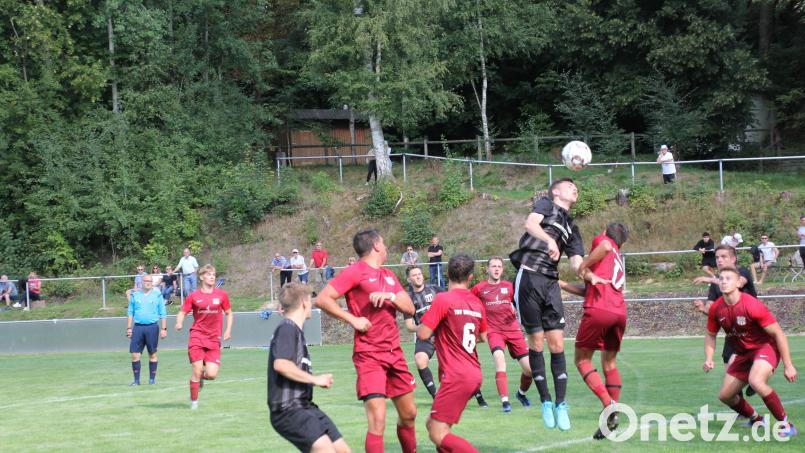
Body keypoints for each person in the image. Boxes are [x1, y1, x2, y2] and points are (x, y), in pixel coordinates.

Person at [316, 229, 417, 453]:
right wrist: (352, 319)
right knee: (378, 419)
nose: (387, 247)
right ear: (376, 246)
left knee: (409, 415)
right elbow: (323, 299)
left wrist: (390, 296)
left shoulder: (389, 276)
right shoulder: (354, 272)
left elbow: (410, 308)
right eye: (384, 243)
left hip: (395, 353)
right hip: (369, 354)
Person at [509, 177, 585, 431]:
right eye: (569, 185)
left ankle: (561, 404)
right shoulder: (545, 206)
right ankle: (545, 401)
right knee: (537, 343)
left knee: (557, 344)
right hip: (529, 277)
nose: (574, 188)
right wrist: (549, 240)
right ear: (555, 192)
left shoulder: (573, 227)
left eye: (576, 187)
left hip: (551, 283)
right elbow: (530, 225)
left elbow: (576, 263)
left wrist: (591, 273)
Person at [703, 267, 798, 438]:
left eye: (728, 278)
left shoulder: (752, 305)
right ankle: (756, 419)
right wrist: (709, 358)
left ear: (739, 283)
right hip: (742, 353)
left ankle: (786, 425)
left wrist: (788, 365)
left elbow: (778, 333)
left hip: (765, 347)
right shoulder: (717, 308)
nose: (723, 281)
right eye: (721, 278)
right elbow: (710, 334)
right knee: (725, 396)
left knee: (756, 381)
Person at [268, 282, 351, 453]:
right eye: (310, 300)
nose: (312, 304)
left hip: (305, 406)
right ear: (304, 303)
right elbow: (281, 364)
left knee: (342, 450)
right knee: (325, 450)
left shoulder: (296, 331)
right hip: (288, 409)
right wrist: (315, 379)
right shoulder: (287, 328)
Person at [418, 254, 488, 453]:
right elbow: (483, 336)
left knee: (436, 433)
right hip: (472, 372)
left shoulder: (443, 299)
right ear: (470, 277)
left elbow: (424, 333)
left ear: (447, 273)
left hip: (456, 376)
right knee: (432, 423)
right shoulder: (477, 303)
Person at [568, 223, 630, 440]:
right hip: (619, 312)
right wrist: (561, 285)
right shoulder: (617, 258)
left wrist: (582, 266)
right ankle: (611, 419)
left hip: (599, 310)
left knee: (582, 360)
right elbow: (590, 289)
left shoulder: (604, 242)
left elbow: (603, 245)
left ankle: (609, 405)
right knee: (609, 364)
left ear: (605, 231)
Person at [470, 257, 533, 412]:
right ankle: (505, 402)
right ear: (487, 269)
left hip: (513, 330)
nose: (496, 269)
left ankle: (520, 393)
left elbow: (521, 303)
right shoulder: (479, 288)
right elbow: (470, 305)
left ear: (502, 269)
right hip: (493, 331)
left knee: (530, 370)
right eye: (493, 266)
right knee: (499, 359)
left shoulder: (510, 287)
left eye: (499, 266)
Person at [174, 264, 233, 410]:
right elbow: (182, 312)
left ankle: (201, 378)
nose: (212, 276)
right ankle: (194, 403)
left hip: (214, 339)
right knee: (197, 369)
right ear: (201, 277)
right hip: (197, 336)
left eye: (214, 274)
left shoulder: (221, 295)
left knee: (212, 374)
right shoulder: (194, 296)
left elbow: (229, 313)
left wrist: (228, 330)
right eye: (209, 274)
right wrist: (179, 322)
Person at [404, 266, 440, 399]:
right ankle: (435, 396)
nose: (418, 276)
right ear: (409, 279)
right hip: (425, 336)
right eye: (414, 275)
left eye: (419, 274)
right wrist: (422, 328)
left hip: (443, 333)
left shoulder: (435, 289)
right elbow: (409, 326)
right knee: (420, 360)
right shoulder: (408, 300)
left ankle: (478, 395)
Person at [126, 274, 167, 385]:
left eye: (150, 281)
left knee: (152, 354)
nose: (148, 283)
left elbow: (163, 313)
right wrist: (129, 328)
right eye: (146, 281)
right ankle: (136, 380)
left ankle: (152, 380)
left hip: (152, 327)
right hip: (138, 328)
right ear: (142, 282)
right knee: (135, 354)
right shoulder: (135, 295)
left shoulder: (157, 295)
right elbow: (130, 312)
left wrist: (164, 328)